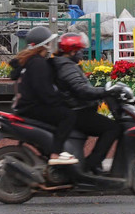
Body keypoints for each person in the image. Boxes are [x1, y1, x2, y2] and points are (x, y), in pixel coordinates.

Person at [50, 32, 123, 175]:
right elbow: (81, 90)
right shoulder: (67, 66)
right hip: (78, 111)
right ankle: (91, 164)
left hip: (79, 108)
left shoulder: (67, 64)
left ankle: (94, 164)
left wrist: (101, 92)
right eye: (79, 50)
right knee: (112, 128)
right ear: (72, 51)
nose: (81, 53)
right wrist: (104, 91)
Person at [8, 26, 76, 165]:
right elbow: (45, 91)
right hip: (31, 107)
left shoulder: (28, 61)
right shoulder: (38, 63)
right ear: (44, 44)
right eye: (49, 42)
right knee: (68, 115)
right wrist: (63, 100)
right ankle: (56, 153)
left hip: (24, 106)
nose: (51, 45)